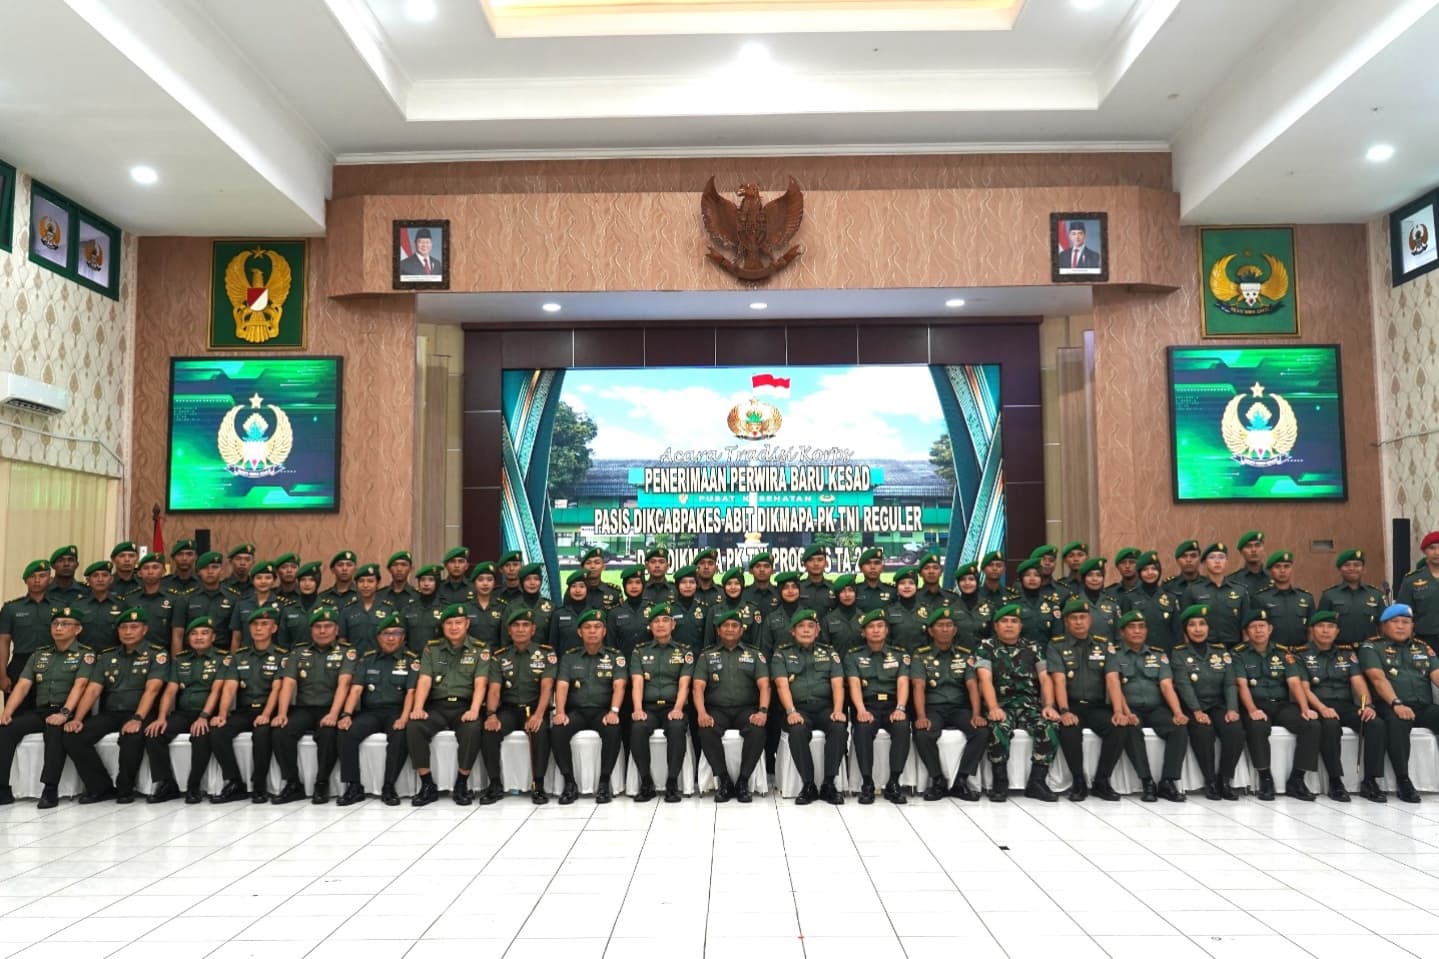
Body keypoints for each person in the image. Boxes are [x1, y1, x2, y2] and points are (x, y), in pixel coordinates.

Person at [63, 607, 167, 803]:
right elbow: (93, 690)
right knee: (73, 736)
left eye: (134, 627)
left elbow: (152, 690)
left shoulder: (157, 654)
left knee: (132, 737)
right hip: (112, 712)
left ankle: (125, 789)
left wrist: (137, 718)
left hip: (141, 712)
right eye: (123, 627)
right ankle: (100, 787)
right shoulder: (107, 656)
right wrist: (77, 719)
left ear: (144, 629)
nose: (128, 632)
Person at [0, 606, 95, 807]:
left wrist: (65, 713)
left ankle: (50, 788)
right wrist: (7, 712)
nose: (59, 628)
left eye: (65, 624)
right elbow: (23, 685)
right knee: (5, 729)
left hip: (68, 710)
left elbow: (80, 686)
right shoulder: (39, 654)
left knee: (54, 731)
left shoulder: (85, 655)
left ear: (78, 629)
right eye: (55, 624)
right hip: (41, 710)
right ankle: (2, 789)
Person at [1289, 610, 1385, 802]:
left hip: (1344, 704)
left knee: (1376, 724)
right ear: (1311, 630)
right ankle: (1335, 781)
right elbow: (1304, 688)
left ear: (1337, 631)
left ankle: (1370, 780)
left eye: (1331, 627)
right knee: (1331, 725)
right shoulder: (1300, 654)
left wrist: (1367, 705)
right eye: (1321, 626)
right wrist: (1322, 709)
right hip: (1318, 704)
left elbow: (1358, 682)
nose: (1326, 631)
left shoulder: (1347, 653)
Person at [974, 603, 1061, 801]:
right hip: (1001, 704)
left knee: (1050, 727)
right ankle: (1000, 782)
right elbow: (985, 679)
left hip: (1029, 704)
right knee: (997, 728)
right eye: (1004, 621)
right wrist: (993, 708)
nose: (1009, 625)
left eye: (1014, 621)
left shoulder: (1033, 647)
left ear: (1021, 626)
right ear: (996, 626)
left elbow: (1045, 678)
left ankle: (1037, 782)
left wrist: (1049, 706)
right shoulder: (985, 647)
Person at [1232, 609, 1319, 800]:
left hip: (1281, 704)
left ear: (1270, 629)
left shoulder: (1283, 652)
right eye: (1253, 627)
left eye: (1262, 626)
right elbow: (1241, 685)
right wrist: (1252, 710)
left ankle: (1297, 779)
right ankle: (1266, 779)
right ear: (1246, 631)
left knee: (1312, 725)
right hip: (1255, 704)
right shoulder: (1238, 653)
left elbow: (1294, 683)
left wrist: (1305, 708)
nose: (1258, 631)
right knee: (1257, 726)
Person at [272, 608, 355, 805]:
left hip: (330, 708)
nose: (322, 631)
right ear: (311, 630)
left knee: (327, 733)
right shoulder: (298, 652)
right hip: (304, 708)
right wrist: (282, 713)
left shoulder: (346, 653)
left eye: (327, 626)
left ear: (336, 630)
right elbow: (288, 683)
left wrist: (334, 714)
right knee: (280, 731)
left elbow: (344, 685)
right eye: (317, 627)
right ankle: (293, 784)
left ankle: (322, 783)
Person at [408, 604, 488, 806]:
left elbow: (481, 683)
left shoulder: (480, 649)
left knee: (472, 729)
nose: (454, 627)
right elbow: (424, 680)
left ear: (467, 624)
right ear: (442, 626)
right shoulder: (432, 648)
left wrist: (474, 710)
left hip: (464, 707)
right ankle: (427, 784)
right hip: (437, 706)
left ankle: (461, 783)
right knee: (414, 727)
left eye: (458, 623)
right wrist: (418, 708)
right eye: (449, 623)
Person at [1047, 598, 1127, 802]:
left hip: (1097, 706)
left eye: (1082, 617)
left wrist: (1119, 711)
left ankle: (1102, 780)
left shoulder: (1104, 644)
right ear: (1066, 622)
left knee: (1119, 728)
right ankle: (1078, 781)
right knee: (1068, 730)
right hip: (1071, 705)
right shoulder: (1056, 645)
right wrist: (1064, 711)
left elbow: (1112, 679)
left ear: (1090, 620)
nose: (1078, 622)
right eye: (1073, 618)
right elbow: (1058, 680)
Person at [1104, 611, 1188, 802]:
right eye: (1132, 627)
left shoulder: (1158, 654)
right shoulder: (1114, 654)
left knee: (1179, 728)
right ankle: (1147, 781)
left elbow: (1166, 686)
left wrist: (1178, 712)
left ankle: (1168, 781)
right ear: (1122, 632)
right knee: (1130, 728)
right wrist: (1124, 712)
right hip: (1130, 707)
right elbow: (1114, 684)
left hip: (1155, 708)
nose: (1137, 631)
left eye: (1141, 627)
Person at [1360, 603, 1439, 803]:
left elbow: (1437, 675)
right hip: (1390, 704)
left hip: (1422, 705)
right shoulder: (1372, 647)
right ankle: (1403, 781)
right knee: (1398, 722)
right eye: (1395, 622)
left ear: (1412, 626)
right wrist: (1396, 703)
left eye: (1406, 622)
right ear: (1383, 626)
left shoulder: (1423, 647)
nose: (1401, 626)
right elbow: (1377, 679)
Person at [144, 616, 228, 804]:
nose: (199, 637)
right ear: (188, 638)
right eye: (194, 634)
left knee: (201, 736)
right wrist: (161, 717)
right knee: (154, 734)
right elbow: (170, 691)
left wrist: (204, 716)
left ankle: (194, 786)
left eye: (204, 633)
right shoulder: (180, 660)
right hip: (183, 713)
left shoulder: (223, 659)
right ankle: (166, 784)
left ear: (213, 637)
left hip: (208, 713)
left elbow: (217, 691)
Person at [336, 614, 417, 807]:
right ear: (378, 637)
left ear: (403, 637)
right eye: (386, 633)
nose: (391, 638)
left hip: (396, 711)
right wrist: (346, 714)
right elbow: (356, 689)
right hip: (370, 712)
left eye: (396, 633)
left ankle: (389, 786)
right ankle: (354, 786)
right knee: (346, 731)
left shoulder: (411, 661)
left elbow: (411, 693)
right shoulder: (367, 659)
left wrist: (404, 718)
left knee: (400, 734)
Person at [911, 607, 990, 802]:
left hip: (959, 708)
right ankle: (938, 780)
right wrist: (921, 716)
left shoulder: (965, 655)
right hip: (933, 708)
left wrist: (976, 714)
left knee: (981, 731)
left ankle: (961, 780)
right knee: (923, 733)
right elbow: (918, 687)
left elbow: (972, 686)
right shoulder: (920, 655)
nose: (945, 629)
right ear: (931, 631)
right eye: (940, 625)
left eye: (949, 625)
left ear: (955, 630)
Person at [481, 606, 556, 805]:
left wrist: (538, 715)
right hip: (509, 709)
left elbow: (547, 688)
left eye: (525, 625)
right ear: (509, 630)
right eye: (516, 625)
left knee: (540, 732)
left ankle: (538, 785)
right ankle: (494, 784)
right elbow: (494, 690)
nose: (520, 629)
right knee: (489, 732)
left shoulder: (546, 654)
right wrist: (491, 715)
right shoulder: (500, 656)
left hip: (535, 708)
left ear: (533, 629)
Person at [693, 609, 769, 802]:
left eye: (735, 625)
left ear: (741, 630)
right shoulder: (706, 656)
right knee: (706, 730)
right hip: (717, 710)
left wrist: (762, 712)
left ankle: (743, 781)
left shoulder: (754, 654)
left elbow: (764, 685)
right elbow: (698, 687)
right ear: (718, 631)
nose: (730, 629)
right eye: (725, 625)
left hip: (746, 709)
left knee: (758, 730)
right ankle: (724, 780)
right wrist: (702, 713)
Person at [551, 608, 626, 804]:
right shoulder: (570, 657)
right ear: (579, 632)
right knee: (558, 729)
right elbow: (562, 685)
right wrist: (560, 712)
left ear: (604, 631)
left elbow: (619, 686)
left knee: (613, 728)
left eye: (597, 627)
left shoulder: (615, 656)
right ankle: (569, 783)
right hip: (576, 712)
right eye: (587, 627)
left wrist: (614, 711)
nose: (592, 631)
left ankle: (604, 783)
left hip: (603, 712)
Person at [772, 608, 847, 805]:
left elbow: (837, 684)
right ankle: (808, 785)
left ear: (817, 630)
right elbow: (781, 685)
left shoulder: (830, 653)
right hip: (798, 709)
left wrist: (838, 710)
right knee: (797, 729)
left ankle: (829, 784)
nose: (806, 630)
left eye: (810, 626)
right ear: (793, 631)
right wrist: (791, 711)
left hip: (824, 708)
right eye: (801, 626)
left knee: (839, 727)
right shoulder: (781, 654)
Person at [1170, 605, 1245, 800]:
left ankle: (1225, 780)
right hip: (1193, 706)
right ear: (1186, 630)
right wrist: (1196, 711)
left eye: (1202, 624)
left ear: (1208, 628)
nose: (1198, 629)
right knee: (1203, 732)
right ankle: (1210, 781)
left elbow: (1230, 683)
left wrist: (1232, 709)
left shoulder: (1221, 652)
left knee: (1235, 730)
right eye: (1192, 625)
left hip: (1218, 705)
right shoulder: (1178, 653)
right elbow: (1184, 685)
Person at [213, 607, 287, 803]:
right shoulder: (239, 656)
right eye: (255, 624)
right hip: (245, 710)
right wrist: (222, 714)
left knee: (262, 734)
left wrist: (267, 715)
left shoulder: (282, 656)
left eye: (264, 624)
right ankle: (234, 782)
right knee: (218, 732)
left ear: (274, 628)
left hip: (268, 710)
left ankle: (259, 784)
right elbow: (229, 688)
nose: (258, 628)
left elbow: (277, 689)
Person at [845, 609, 912, 804]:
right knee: (863, 729)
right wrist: (860, 710)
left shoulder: (899, 655)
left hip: (893, 704)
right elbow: (854, 684)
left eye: (880, 626)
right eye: (871, 627)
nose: (876, 630)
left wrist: (900, 708)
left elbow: (903, 683)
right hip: (868, 704)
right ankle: (867, 783)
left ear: (887, 630)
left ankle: (894, 782)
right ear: (863, 632)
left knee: (902, 728)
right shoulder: (853, 656)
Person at [630, 604, 693, 802]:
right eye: (656, 621)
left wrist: (678, 709)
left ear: (673, 624)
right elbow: (637, 683)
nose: (660, 625)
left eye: (665, 620)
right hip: (648, 707)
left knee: (676, 727)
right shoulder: (639, 651)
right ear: (650, 626)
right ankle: (646, 782)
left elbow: (684, 684)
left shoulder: (684, 651)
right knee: (638, 728)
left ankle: (672, 783)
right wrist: (638, 709)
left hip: (672, 706)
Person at [0, 559, 57, 703]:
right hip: (20, 663)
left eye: (42, 576)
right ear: (25, 581)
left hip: (53, 664)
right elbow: (3, 642)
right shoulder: (11, 608)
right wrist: (2, 674)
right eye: (32, 576)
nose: (37, 580)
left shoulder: (61, 607)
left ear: (50, 579)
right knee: (15, 711)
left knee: (49, 710)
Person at [1180, 543, 1248, 649]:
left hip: (1233, 648)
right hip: (1204, 648)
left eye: (1221, 557)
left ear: (1227, 562)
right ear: (1204, 563)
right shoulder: (1193, 590)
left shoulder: (1240, 590)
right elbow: (1185, 624)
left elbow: (1246, 626)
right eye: (1212, 557)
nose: (1217, 561)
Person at [1318, 549, 1385, 650]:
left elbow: (1383, 626)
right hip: (1339, 650)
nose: (1352, 568)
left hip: (1369, 649)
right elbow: (1320, 626)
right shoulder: (1329, 595)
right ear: (1340, 569)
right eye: (1347, 565)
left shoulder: (1376, 595)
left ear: (1363, 569)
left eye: (1357, 565)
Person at [171, 552, 234, 656]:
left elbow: (236, 635)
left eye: (215, 567)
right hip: (191, 654)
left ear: (222, 570)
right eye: (205, 568)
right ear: (198, 572)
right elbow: (178, 634)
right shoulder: (185, 598)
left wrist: (232, 662)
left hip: (222, 654)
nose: (210, 572)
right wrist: (176, 661)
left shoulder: (233, 598)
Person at [1251, 550, 1315, 651]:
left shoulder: (1306, 598)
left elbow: (1311, 629)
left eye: (1286, 566)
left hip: (1301, 652)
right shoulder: (1260, 598)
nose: (1282, 571)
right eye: (1277, 567)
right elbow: (1254, 629)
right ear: (1270, 571)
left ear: (1291, 569)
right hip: (1272, 653)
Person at [1116, 551, 1172, 648]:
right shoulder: (1129, 597)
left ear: (1159, 571)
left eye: (1154, 569)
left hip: (1165, 654)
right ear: (1139, 573)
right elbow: (1123, 630)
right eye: (1145, 569)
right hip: (1138, 653)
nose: (1150, 573)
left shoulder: (1170, 598)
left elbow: (1177, 633)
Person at [228, 560, 281, 651]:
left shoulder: (281, 605)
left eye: (268, 578)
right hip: (245, 654)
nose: (263, 581)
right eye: (259, 578)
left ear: (274, 580)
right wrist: (233, 657)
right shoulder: (242, 603)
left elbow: (283, 637)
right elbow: (236, 637)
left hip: (272, 655)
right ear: (252, 580)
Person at [1011, 558, 1063, 650]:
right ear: (1021, 579)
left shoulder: (1051, 604)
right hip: (1020, 653)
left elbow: (1058, 635)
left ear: (1041, 579)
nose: (1032, 579)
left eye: (1036, 575)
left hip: (1047, 653)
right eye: (1027, 575)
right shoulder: (1013, 604)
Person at [1398, 531, 1439, 646]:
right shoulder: (1411, 580)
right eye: (1432, 548)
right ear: (1424, 551)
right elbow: (1403, 612)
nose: (1437, 552)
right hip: (1424, 641)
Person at [74, 561, 126, 651]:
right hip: (83, 655)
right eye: (95, 576)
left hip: (113, 655)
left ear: (111, 579)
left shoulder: (122, 605)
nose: (100, 579)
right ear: (88, 580)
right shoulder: (78, 605)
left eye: (105, 575)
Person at [705, 567, 762, 649]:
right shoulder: (714, 610)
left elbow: (757, 644)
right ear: (724, 587)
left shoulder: (753, 610)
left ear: (742, 586)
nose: (733, 587)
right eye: (729, 584)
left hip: (747, 655)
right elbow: (708, 644)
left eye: (737, 583)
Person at [131, 553, 175, 651]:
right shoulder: (131, 598)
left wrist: (176, 659)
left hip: (163, 652)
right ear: (139, 573)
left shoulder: (174, 599)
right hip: (135, 652)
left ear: (164, 571)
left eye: (155, 567)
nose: (150, 572)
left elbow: (177, 635)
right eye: (146, 568)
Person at [605, 565, 649, 656]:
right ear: (624, 586)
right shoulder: (615, 613)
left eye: (638, 582)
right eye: (629, 583)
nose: (634, 586)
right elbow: (611, 645)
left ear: (643, 585)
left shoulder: (652, 610)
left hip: (648, 662)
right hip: (623, 662)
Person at [884, 566, 929, 652]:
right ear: (897, 587)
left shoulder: (927, 610)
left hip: (922, 658)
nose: (907, 586)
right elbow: (886, 641)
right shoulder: (889, 611)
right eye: (902, 583)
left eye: (911, 583)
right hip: (897, 657)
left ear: (916, 586)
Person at [403, 564, 444, 653]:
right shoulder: (409, 608)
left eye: (431, 580)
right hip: (412, 658)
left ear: (437, 583)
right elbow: (401, 637)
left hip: (436, 658)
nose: (426, 584)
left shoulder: (444, 608)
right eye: (422, 580)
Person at [821, 574, 863, 656]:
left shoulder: (864, 618)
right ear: (837, 595)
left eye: (850, 590)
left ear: (855, 593)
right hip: (836, 663)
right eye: (842, 591)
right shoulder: (828, 620)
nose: (847, 595)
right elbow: (825, 649)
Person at [466, 560, 505, 647]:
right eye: (480, 580)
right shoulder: (466, 607)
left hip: (496, 653)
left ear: (494, 583)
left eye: (489, 580)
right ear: (474, 583)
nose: (485, 583)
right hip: (472, 653)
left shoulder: (502, 607)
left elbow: (505, 638)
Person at [1229, 531, 1271, 597]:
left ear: (1263, 548)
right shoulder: (1232, 581)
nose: (1253, 550)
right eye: (1248, 546)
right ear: (1241, 552)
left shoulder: (1275, 578)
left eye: (1257, 545)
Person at [853, 548, 893, 613]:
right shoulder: (854, 591)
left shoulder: (892, 591)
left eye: (877, 563)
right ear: (861, 568)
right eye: (868, 563)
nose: (872, 567)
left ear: (882, 568)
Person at [798, 545, 835, 614]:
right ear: (804, 564)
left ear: (826, 563)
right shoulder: (798, 588)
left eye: (820, 560)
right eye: (811, 560)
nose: (816, 564)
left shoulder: (834, 588)